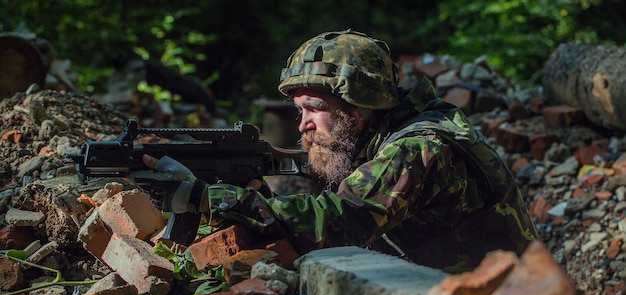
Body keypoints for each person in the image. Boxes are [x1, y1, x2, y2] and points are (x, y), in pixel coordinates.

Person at [138, 29, 538, 273]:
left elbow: (340, 221)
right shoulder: (384, 134)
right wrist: (263, 203)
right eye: (299, 111)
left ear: (362, 104)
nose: (303, 125)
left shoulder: (417, 148)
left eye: (315, 109)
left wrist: (208, 198)